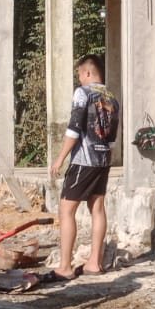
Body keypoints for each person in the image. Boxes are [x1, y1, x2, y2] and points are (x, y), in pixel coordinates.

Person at [47, 54, 120, 281]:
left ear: (87, 72)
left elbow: (74, 128)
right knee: (97, 208)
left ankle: (65, 266)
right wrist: (105, 157)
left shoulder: (82, 93)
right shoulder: (112, 98)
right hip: (104, 159)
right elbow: (112, 138)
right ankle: (94, 263)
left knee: (66, 210)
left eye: (79, 74)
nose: (79, 79)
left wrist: (60, 158)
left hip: (84, 160)